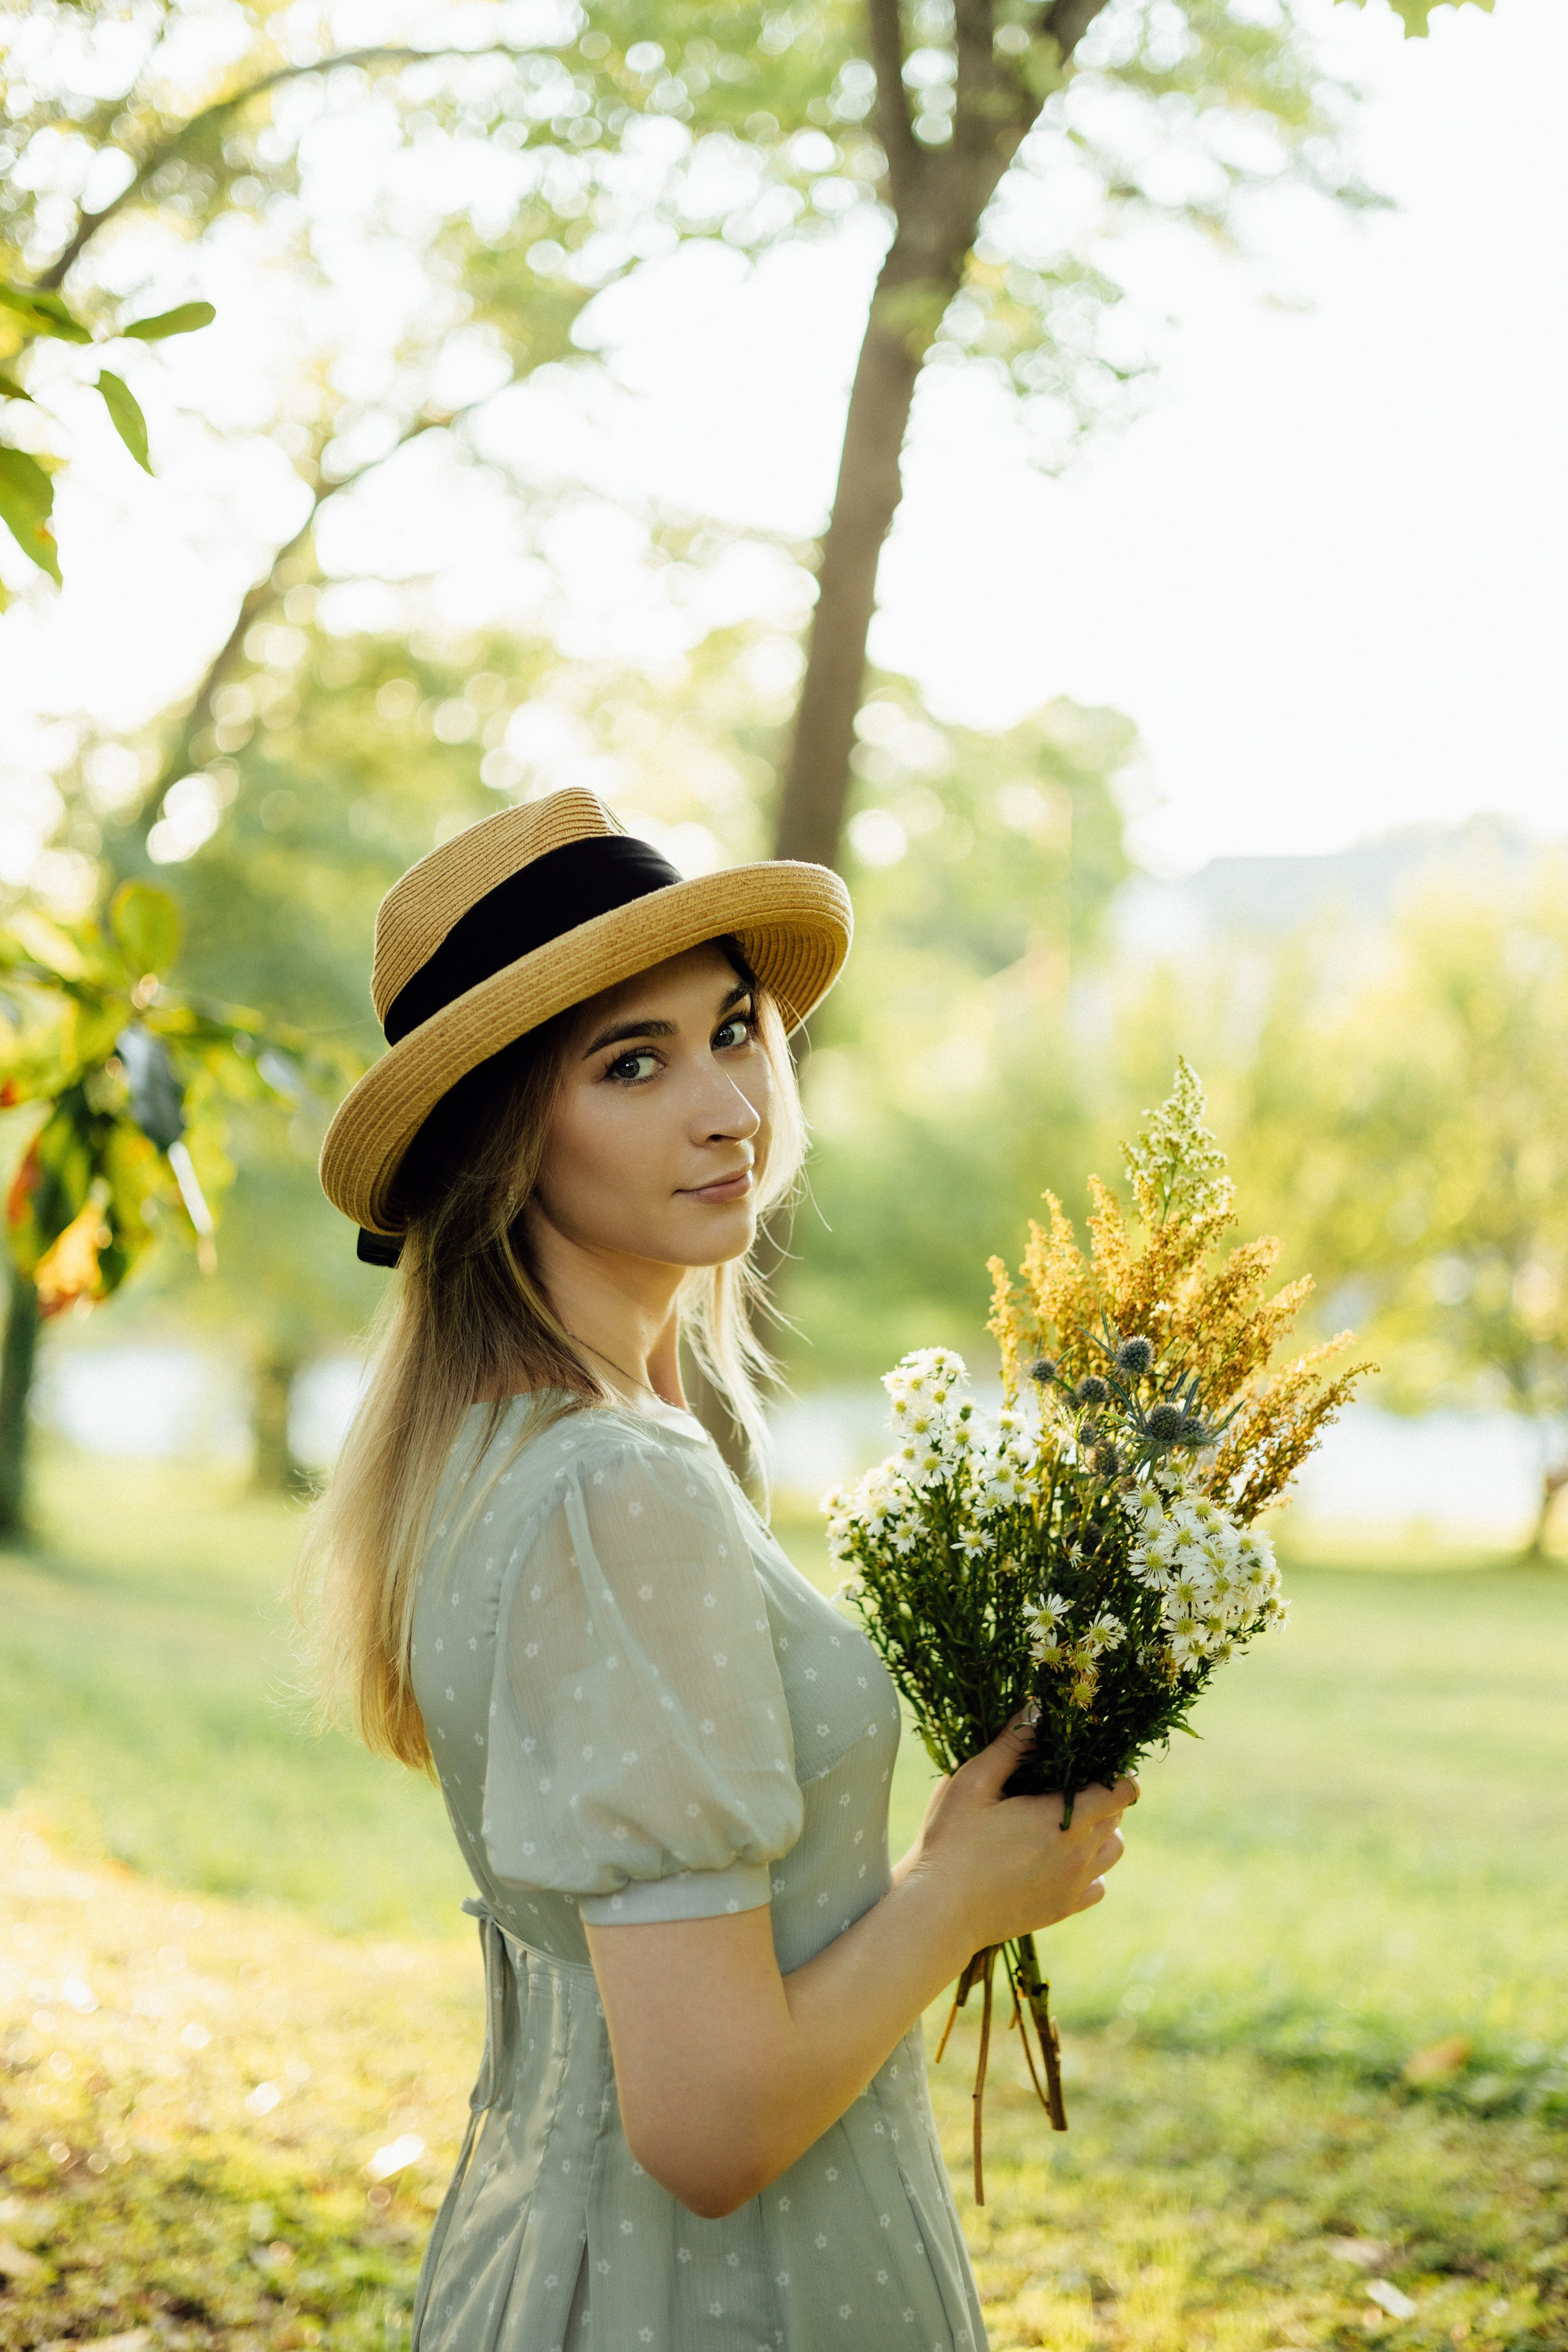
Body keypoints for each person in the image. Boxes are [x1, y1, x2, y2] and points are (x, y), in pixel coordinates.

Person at [303, 786, 1136, 2352]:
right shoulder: (614, 1484)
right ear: (504, 1137)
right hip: (718, 2296)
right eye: (634, 1062)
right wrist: (951, 1894)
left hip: (566, 2262)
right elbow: (708, 2126)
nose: (728, 1105)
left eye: (734, 1030)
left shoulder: (515, 1441)